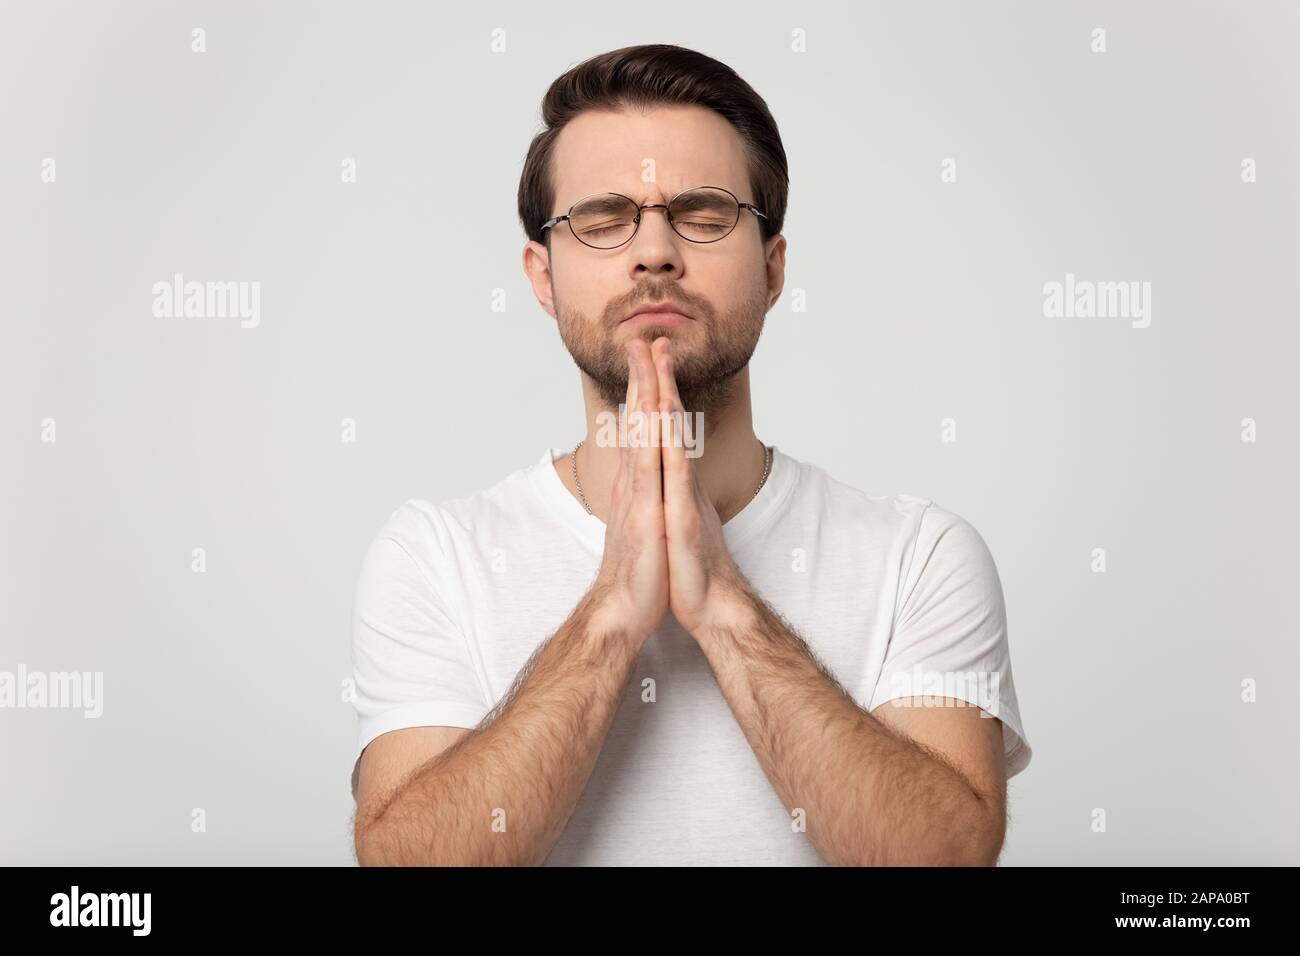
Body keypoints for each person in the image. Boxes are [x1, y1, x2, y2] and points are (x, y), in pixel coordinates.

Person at [349, 43, 1031, 866]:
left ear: (774, 269)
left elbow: (945, 860)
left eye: (704, 213)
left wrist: (724, 604)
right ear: (542, 276)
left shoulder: (921, 556)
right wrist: (610, 614)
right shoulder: (433, 556)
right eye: (602, 220)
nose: (654, 252)